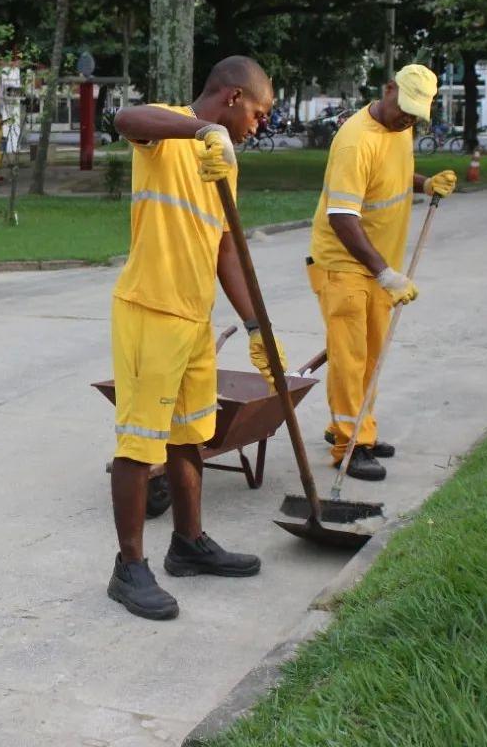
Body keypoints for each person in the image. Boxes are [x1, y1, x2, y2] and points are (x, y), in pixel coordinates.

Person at [106, 55, 285, 621]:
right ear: (232, 98)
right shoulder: (171, 127)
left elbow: (226, 249)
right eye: (257, 113)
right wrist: (202, 130)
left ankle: (188, 543)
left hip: (193, 318)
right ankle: (128, 567)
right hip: (149, 310)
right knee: (140, 443)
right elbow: (126, 119)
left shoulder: (223, 164)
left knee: (190, 436)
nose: (258, 126)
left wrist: (257, 325)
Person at [306, 64, 457, 482]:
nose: (407, 119)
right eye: (403, 108)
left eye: (415, 114)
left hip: (377, 268)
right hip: (343, 265)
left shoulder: (400, 129)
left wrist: (424, 184)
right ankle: (348, 447)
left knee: (371, 355)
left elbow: (389, 176)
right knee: (350, 358)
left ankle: (357, 429)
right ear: (388, 89)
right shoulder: (356, 140)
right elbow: (342, 216)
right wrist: (385, 273)